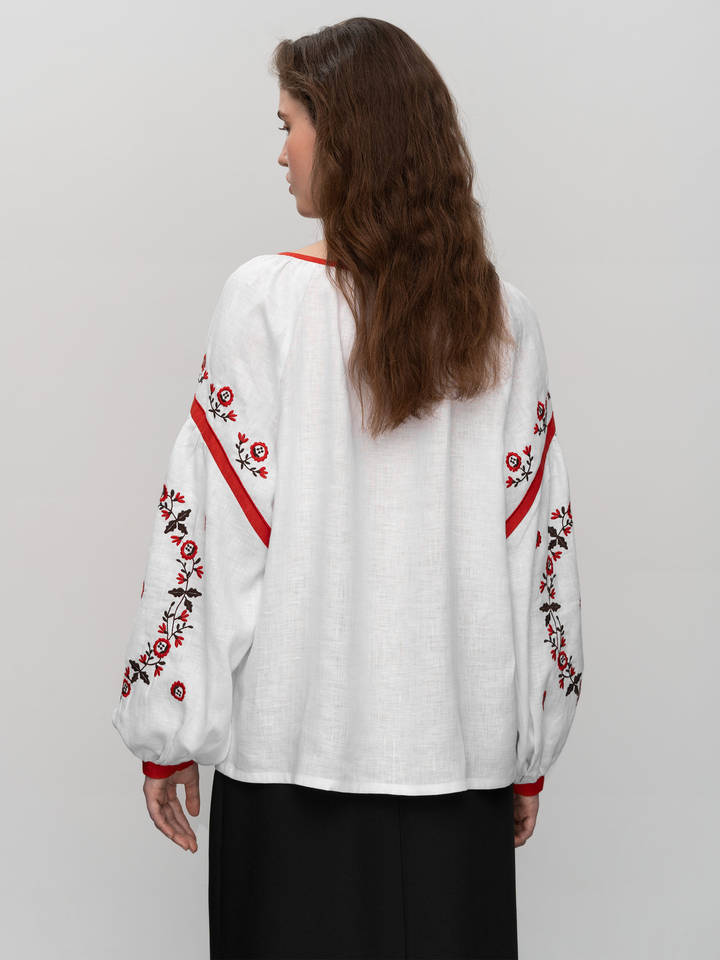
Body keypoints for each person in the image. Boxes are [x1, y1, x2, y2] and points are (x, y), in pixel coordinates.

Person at [111, 16, 583, 960]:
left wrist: (169, 730)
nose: (280, 153)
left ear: (347, 138)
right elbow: (537, 555)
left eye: (289, 124)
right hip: (459, 776)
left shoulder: (264, 302)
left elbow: (210, 535)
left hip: (291, 776)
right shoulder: (502, 321)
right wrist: (526, 752)